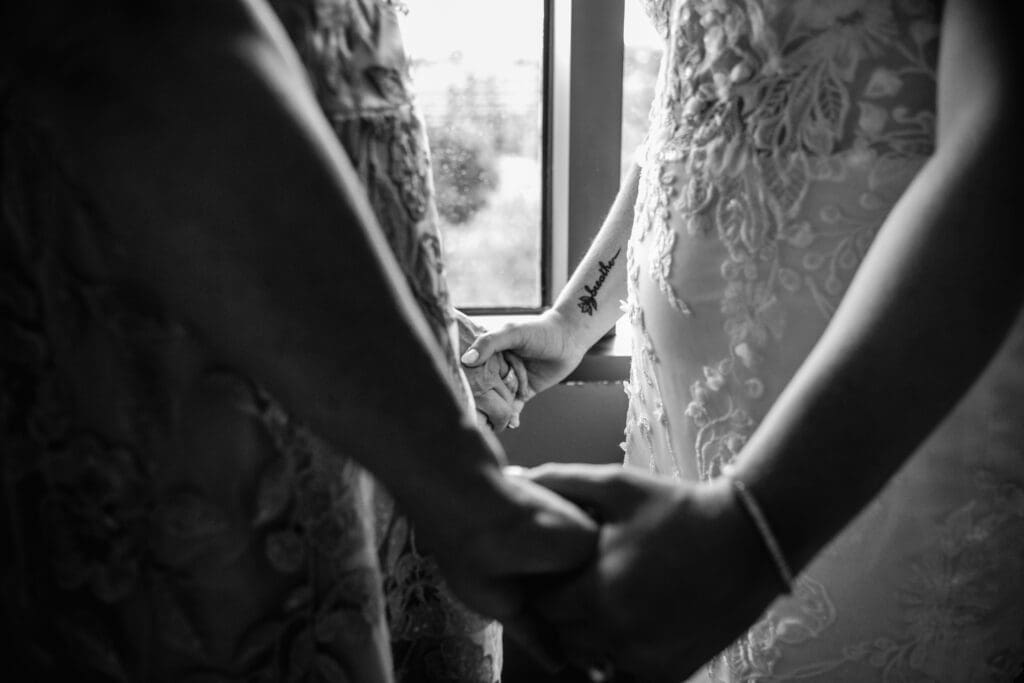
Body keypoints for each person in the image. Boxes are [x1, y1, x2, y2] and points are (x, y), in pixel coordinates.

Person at [0, 1, 593, 681]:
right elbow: (157, 53)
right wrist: (463, 483)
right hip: (194, 305)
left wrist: (410, 324)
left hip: (323, 291)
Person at [464, 0, 1024, 680]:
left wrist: (756, 527)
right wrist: (575, 319)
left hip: (868, 413)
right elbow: (695, 105)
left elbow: (1003, 140)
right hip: (686, 432)